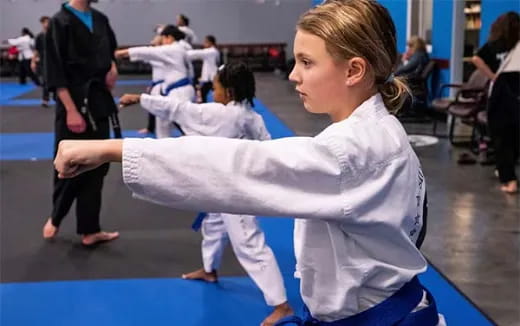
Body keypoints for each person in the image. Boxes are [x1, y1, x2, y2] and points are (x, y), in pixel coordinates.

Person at [54, 0, 445, 324]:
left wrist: (112, 149)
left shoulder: (353, 150)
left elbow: (241, 165)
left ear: (354, 70)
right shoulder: (382, 132)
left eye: (307, 63)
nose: (293, 75)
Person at [119, 62, 293, 326]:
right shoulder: (251, 117)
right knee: (213, 225)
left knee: (249, 244)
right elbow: (268, 149)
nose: (213, 91)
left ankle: (282, 306)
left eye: (216, 87)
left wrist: (139, 97)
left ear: (230, 91)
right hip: (221, 187)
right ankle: (209, 270)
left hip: (236, 193)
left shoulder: (224, 114)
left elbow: (179, 108)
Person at [43, 0, 120, 246]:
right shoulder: (60, 21)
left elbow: (110, 51)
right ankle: (56, 217)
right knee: (70, 163)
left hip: (98, 99)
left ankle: (90, 229)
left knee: (98, 164)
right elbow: (54, 70)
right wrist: (71, 110)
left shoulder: (100, 19)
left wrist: (113, 68)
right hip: (73, 102)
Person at [115, 25, 195, 139]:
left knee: (185, 126)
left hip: (180, 92)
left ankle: (196, 146)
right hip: (174, 90)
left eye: (162, 38)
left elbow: (149, 52)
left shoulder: (174, 49)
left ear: (169, 37)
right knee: (162, 121)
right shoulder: (180, 49)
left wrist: (122, 52)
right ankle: (163, 146)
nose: (161, 42)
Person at [472, 12, 520, 193]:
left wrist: (493, 76)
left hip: (500, 96)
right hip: (516, 95)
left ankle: (509, 180)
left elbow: (476, 58)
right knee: (514, 136)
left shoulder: (495, 45)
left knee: (501, 138)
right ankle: (506, 171)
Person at [187, 35, 220, 103]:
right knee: (204, 92)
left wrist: (182, 53)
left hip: (211, 78)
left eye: (205, 42)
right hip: (209, 78)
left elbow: (197, 53)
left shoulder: (211, 51)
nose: (203, 44)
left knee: (205, 93)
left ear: (211, 43)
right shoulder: (213, 51)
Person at [32, 16, 52, 107]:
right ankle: (45, 99)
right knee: (45, 80)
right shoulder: (39, 36)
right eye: (45, 22)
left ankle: (57, 97)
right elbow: (36, 50)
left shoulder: (54, 35)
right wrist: (33, 61)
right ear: (42, 23)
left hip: (54, 60)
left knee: (55, 80)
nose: (47, 24)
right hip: (43, 61)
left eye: (48, 22)